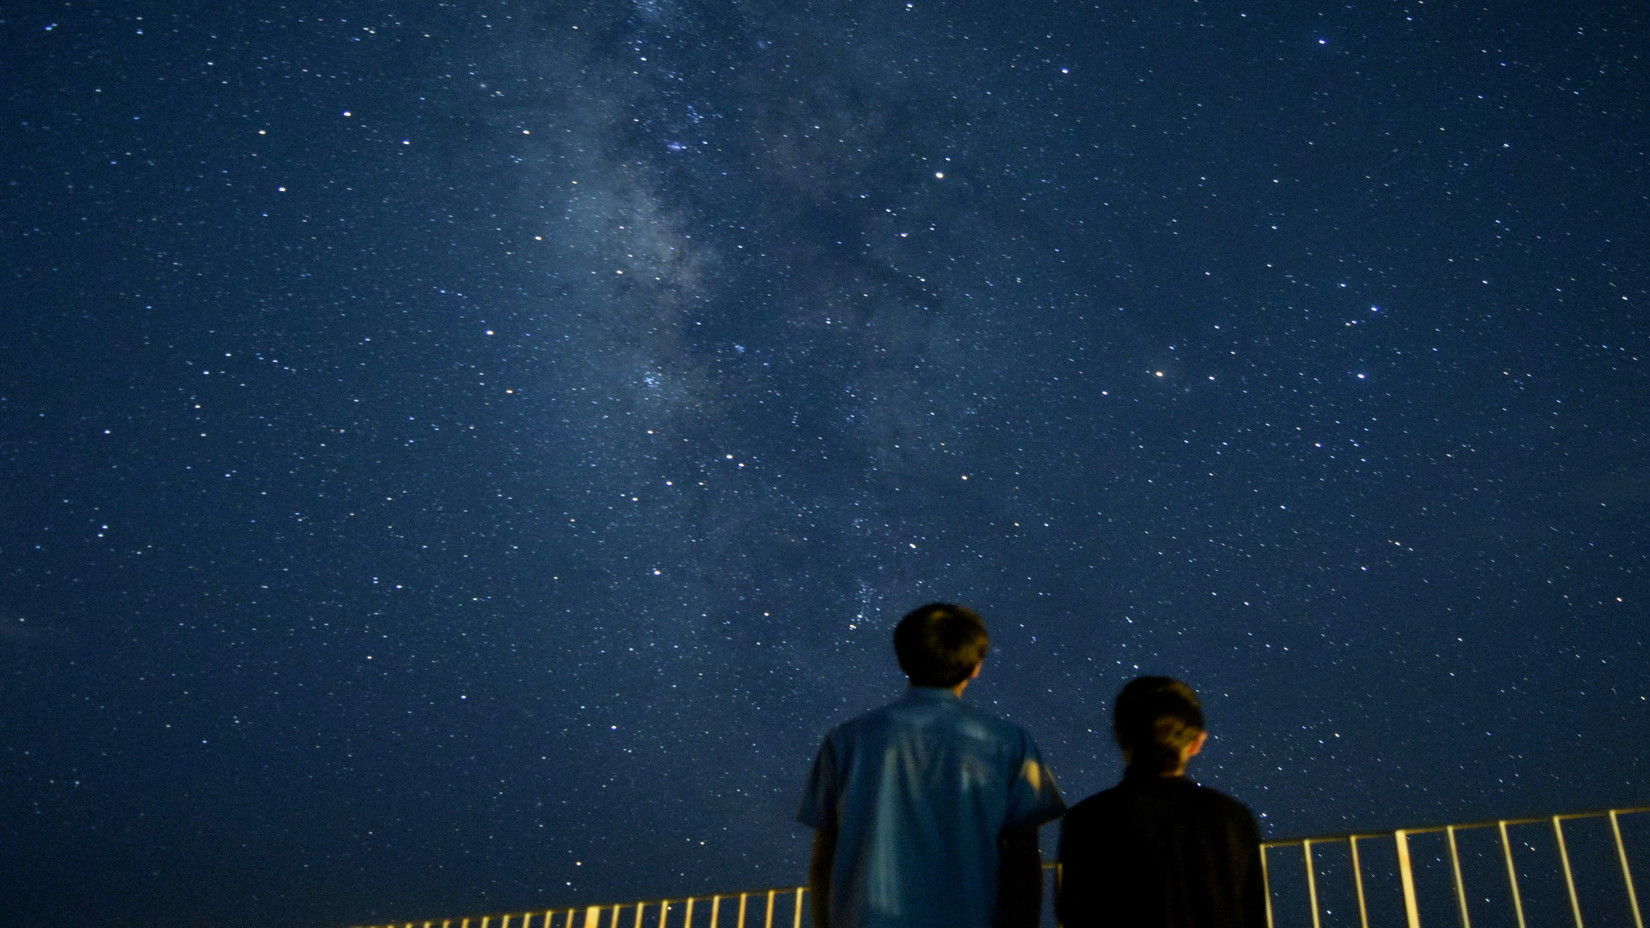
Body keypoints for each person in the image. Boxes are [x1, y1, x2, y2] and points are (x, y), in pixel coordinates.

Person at [797, 603, 1066, 928]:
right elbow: (1023, 861)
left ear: (903, 659)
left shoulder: (846, 741)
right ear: (975, 666)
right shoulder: (1010, 743)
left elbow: (823, 860)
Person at [1056, 676, 1265, 928]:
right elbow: (1252, 912)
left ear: (1120, 738)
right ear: (1197, 742)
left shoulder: (1086, 819)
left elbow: (1074, 913)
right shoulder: (1233, 818)